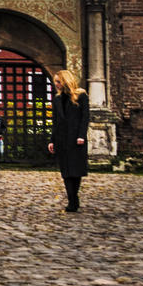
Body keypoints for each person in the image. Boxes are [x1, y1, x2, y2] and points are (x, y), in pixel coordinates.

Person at [51, 70, 90, 211]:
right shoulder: (57, 99)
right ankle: (72, 201)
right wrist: (52, 140)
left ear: (66, 81)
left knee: (76, 171)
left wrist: (81, 135)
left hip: (76, 139)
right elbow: (55, 121)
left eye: (58, 81)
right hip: (62, 139)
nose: (56, 84)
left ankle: (74, 198)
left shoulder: (81, 95)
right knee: (66, 171)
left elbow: (85, 118)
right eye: (56, 81)